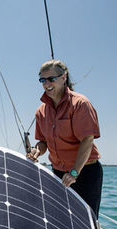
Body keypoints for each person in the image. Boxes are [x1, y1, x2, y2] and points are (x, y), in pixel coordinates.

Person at [27, 60, 103, 218]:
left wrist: (74, 172)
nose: (47, 84)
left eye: (51, 79)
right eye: (43, 80)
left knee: (85, 222)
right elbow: (43, 142)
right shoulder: (41, 112)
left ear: (64, 77)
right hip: (58, 174)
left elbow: (87, 141)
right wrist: (36, 151)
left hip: (85, 173)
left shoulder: (80, 104)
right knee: (60, 220)